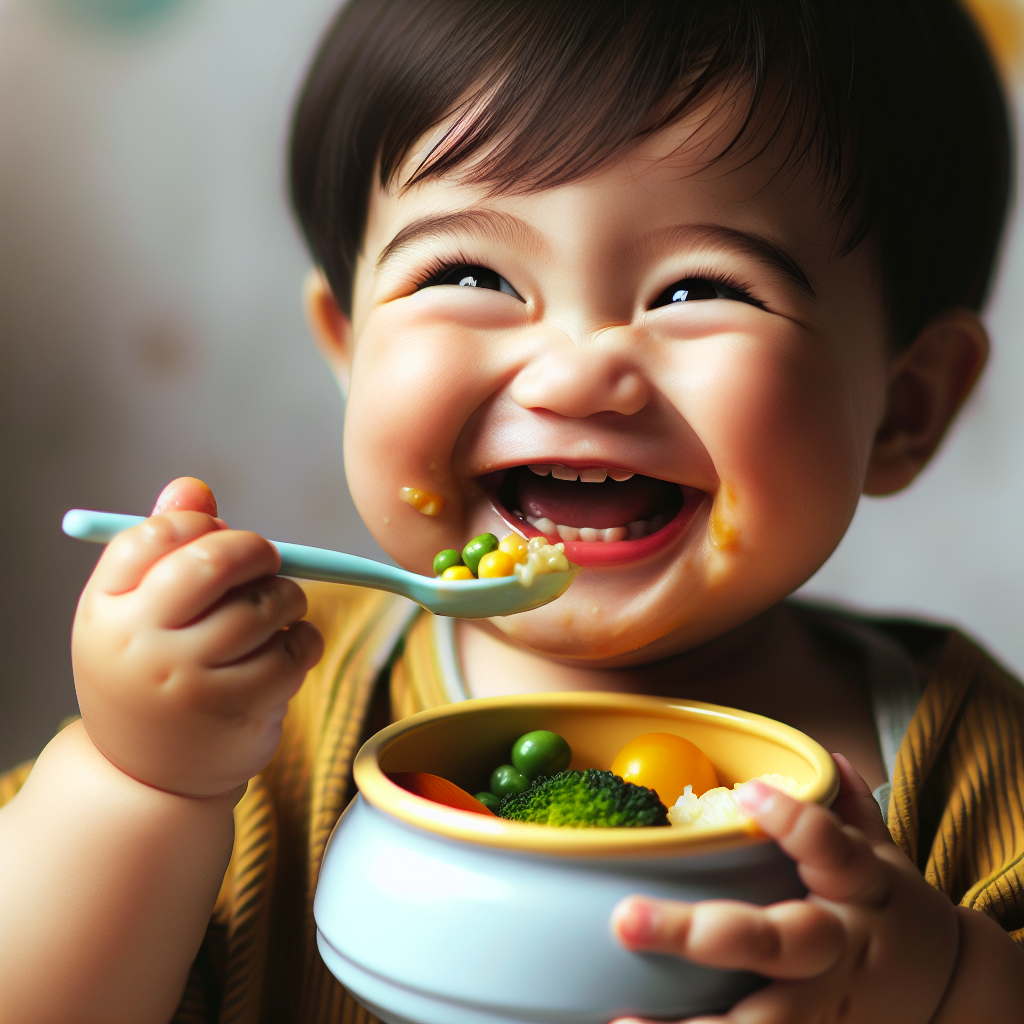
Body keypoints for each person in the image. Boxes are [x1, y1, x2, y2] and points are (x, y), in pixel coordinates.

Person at [2, 1, 1022, 1021]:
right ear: (347, 346)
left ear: (904, 404)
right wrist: (140, 786)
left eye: (698, 288)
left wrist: (946, 987)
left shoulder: (976, 764)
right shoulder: (259, 722)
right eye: (469, 273)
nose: (578, 377)